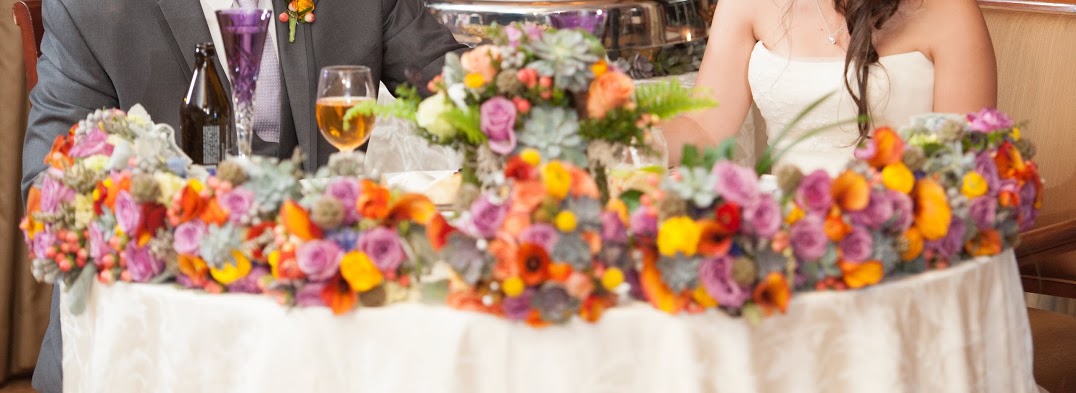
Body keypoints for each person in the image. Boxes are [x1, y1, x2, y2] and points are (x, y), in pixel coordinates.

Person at [20, 0, 465, 390]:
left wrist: (514, 93)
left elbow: (459, 88)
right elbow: (48, 183)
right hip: (165, 327)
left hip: (320, 315)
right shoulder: (91, 8)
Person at [663, 0, 996, 174]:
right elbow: (704, 130)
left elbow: (962, 159)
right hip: (783, 232)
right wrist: (624, 132)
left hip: (899, 232)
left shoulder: (946, 9)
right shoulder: (745, 3)